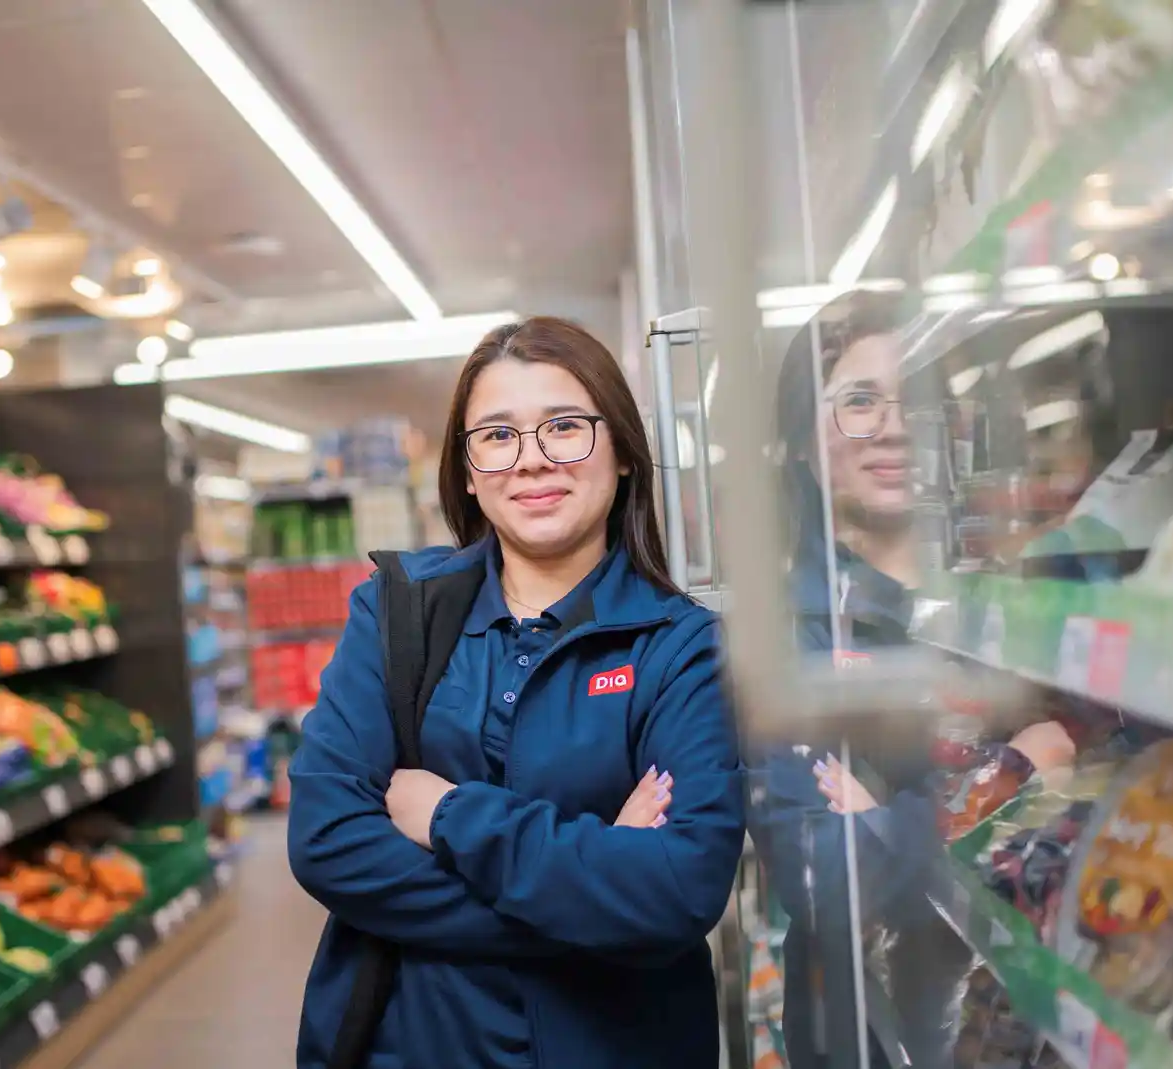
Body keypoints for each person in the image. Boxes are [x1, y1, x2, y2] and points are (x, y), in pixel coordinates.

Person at [288, 315, 747, 1069]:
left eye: (564, 427)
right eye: (498, 436)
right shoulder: (397, 612)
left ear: (624, 451)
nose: (531, 461)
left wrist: (444, 811)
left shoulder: (682, 646)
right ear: (467, 469)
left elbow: (677, 890)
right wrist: (596, 891)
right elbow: (328, 841)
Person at [752, 295, 1075, 1068]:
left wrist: (889, 817)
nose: (894, 426)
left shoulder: (1008, 592)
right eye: (859, 401)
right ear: (800, 439)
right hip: (879, 1034)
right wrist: (1014, 767)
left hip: (1034, 1014)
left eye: (915, 400)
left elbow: (1095, 787)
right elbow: (832, 878)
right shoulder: (784, 635)